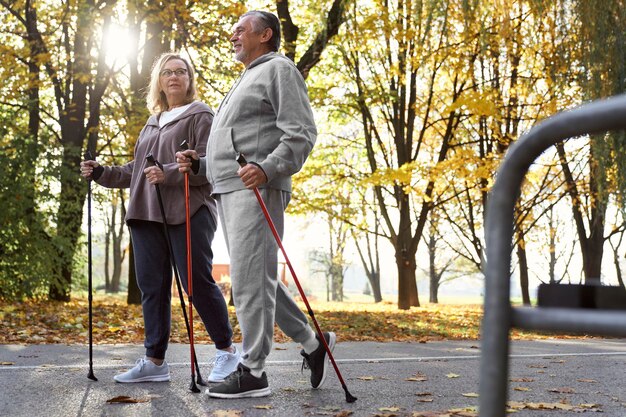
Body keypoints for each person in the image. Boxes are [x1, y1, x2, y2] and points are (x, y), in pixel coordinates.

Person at [176, 11, 334, 399]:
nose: (232, 34)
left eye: (240, 29)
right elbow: (236, 144)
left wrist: (267, 168)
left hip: (256, 188)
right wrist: (202, 163)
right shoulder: (247, 76)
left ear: (265, 34)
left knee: (248, 280)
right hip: (229, 187)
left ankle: (253, 370)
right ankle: (315, 344)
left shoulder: (279, 69)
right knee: (257, 277)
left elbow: (301, 133)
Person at [80, 52, 240, 384]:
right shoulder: (153, 122)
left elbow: (211, 164)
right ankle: (155, 362)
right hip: (146, 214)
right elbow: (136, 171)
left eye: (181, 71)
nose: (174, 76)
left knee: (196, 283)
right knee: (152, 288)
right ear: (159, 81)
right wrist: (101, 173)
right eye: (167, 72)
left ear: (190, 79)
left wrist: (167, 173)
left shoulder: (201, 116)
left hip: (188, 210)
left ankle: (227, 352)